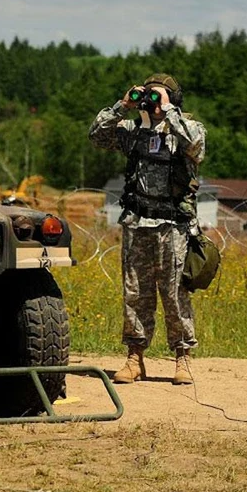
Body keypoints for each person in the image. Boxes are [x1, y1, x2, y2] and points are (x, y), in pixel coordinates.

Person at [89, 74, 206, 385]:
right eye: (150, 96)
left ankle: (182, 358)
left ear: (172, 99)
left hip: (173, 224)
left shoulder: (184, 129)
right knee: (136, 292)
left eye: (159, 96)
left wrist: (169, 111)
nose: (152, 102)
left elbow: (197, 147)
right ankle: (135, 357)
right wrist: (123, 105)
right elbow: (97, 135)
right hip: (137, 221)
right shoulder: (133, 131)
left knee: (174, 292)